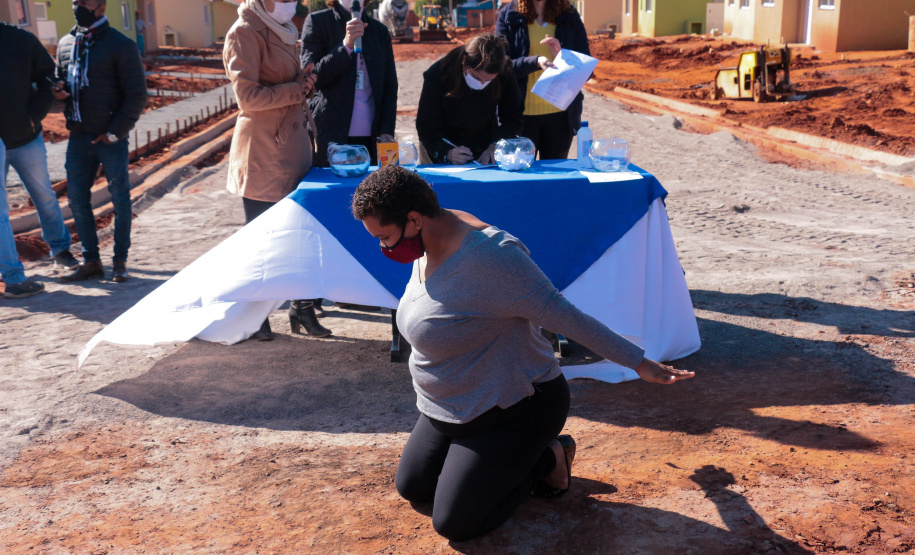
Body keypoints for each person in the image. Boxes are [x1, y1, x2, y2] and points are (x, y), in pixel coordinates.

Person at [351, 165, 695, 541]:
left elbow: (567, 317)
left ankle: (549, 458)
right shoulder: (430, 235)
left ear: (415, 219)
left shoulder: (493, 259)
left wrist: (638, 362)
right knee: (414, 488)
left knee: (455, 523)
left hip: (512, 407)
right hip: (447, 407)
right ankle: (485, 460)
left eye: (384, 237)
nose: (384, 249)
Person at [224, 0, 331, 339]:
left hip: (293, 147)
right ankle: (256, 317)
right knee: (263, 241)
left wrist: (303, 82)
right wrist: (295, 89)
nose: (290, 4)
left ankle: (302, 307)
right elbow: (248, 97)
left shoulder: (282, 29)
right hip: (263, 152)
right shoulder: (244, 33)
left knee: (300, 235)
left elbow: (282, 85)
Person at [52, 0, 147, 283]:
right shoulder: (66, 43)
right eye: (76, 1)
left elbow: (137, 94)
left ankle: (119, 262)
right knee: (77, 200)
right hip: (78, 137)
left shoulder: (121, 45)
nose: (78, 6)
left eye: (86, 2)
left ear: (102, 6)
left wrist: (114, 132)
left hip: (110, 139)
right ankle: (91, 261)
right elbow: (59, 81)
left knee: (120, 200)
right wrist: (57, 91)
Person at [0, 21, 80, 296]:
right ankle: (13, 278)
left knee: (44, 195)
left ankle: (61, 252)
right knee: (0, 211)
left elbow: (50, 77)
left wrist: (34, 115)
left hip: (25, 137)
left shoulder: (20, 40)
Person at [301, 0, 398, 167]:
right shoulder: (318, 22)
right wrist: (345, 46)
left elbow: (390, 86)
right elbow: (311, 78)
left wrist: (387, 131)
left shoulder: (380, 31)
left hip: (372, 140)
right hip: (330, 138)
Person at [496, 0, 589, 160]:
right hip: (519, 117)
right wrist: (535, 62)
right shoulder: (509, 15)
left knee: (555, 174)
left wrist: (563, 57)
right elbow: (500, 65)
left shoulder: (569, 14)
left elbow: (586, 68)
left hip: (560, 117)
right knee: (521, 172)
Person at [416, 33, 523, 165]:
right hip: (442, 149)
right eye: (477, 78)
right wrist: (446, 152)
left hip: (483, 151)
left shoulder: (503, 70)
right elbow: (426, 127)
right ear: (464, 61)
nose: (482, 84)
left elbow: (513, 118)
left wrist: (497, 144)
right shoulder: (438, 74)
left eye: (489, 80)